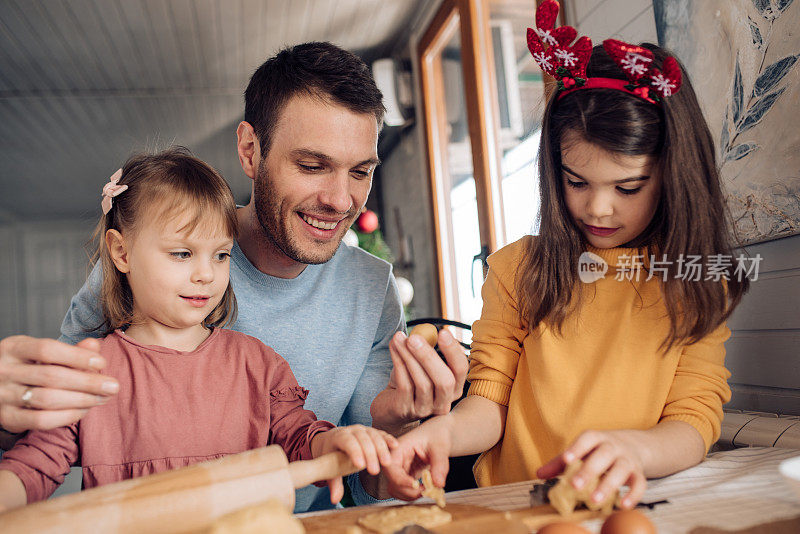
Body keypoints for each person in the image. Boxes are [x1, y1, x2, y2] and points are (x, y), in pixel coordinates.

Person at [0, 42, 469, 512]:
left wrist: (397, 432)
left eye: (361, 172)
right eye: (311, 165)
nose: (341, 201)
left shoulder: (360, 297)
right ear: (250, 150)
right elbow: (38, 437)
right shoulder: (124, 286)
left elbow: (355, 475)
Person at [384, 4, 749, 510]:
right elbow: (488, 404)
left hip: (628, 506)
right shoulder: (517, 271)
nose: (597, 208)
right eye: (576, 181)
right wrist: (443, 433)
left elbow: (695, 419)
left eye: (627, 187)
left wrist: (635, 449)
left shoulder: (696, 279)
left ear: (673, 175)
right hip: (514, 506)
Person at [0, 148, 398, 512]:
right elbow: (35, 465)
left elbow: (300, 439)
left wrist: (332, 442)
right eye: (182, 253)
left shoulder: (258, 364)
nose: (206, 274)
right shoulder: (90, 373)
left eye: (221, 254)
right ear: (121, 252)